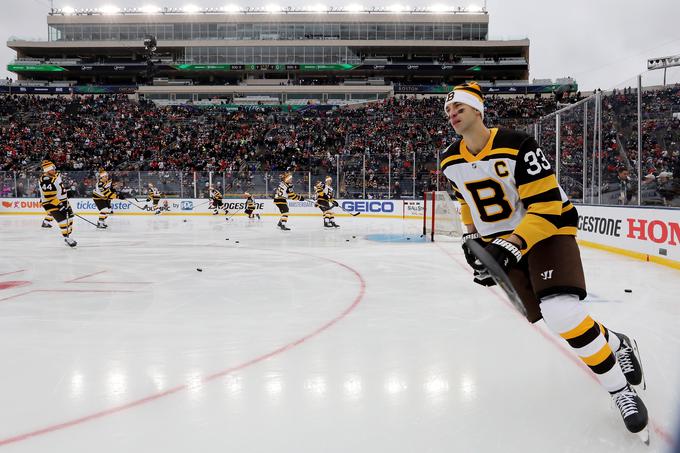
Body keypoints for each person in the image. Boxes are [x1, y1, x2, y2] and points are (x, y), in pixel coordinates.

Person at [440, 82, 648, 440]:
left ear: (478, 110)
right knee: (557, 319)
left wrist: (514, 243)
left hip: (548, 228)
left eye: (459, 106)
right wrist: (471, 238)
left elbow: (549, 206)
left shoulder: (518, 144)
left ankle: (620, 391)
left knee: (562, 312)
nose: (452, 113)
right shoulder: (449, 160)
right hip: (506, 241)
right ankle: (617, 342)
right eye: (448, 110)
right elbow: (464, 201)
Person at [38, 160, 77, 247]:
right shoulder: (45, 180)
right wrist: (60, 205)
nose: (54, 170)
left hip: (63, 201)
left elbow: (59, 187)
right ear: (46, 170)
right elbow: (50, 197)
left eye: (54, 168)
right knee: (63, 221)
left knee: (69, 220)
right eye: (52, 169)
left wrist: (67, 191)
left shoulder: (56, 175)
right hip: (50, 203)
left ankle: (68, 236)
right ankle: (67, 238)